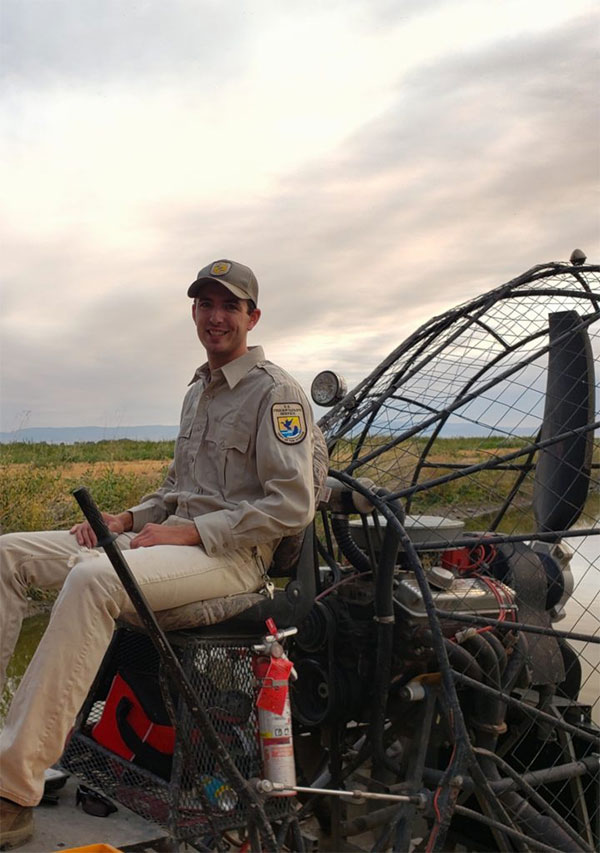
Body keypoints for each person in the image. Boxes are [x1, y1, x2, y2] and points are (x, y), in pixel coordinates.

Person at [0, 259, 316, 849]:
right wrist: (128, 519)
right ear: (194, 311)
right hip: (170, 544)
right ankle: (6, 740)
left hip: (229, 559)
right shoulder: (198, 390)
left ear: (253, 316)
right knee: (7, 554)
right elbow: (177, 491)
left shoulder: (278, 394)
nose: (216, 317)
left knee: (95, 580)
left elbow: (292, 505)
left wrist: (191, 533)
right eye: (205, 304)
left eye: (230, 306)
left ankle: (13, 791)